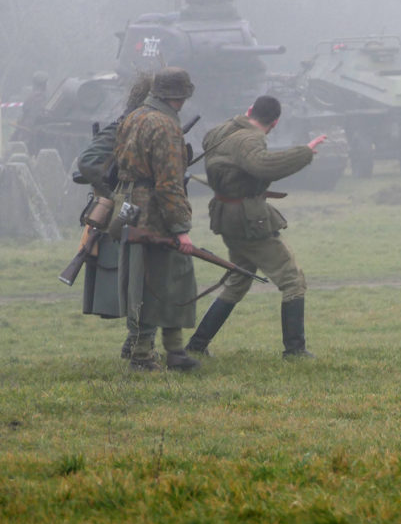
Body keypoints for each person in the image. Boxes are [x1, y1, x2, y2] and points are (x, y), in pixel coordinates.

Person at [185, 96, 327, 359]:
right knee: (292, 280)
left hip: (226, 214)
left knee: (239, 279)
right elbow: (262, 165)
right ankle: (294, 350)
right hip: (247, 219)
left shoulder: (221, 130)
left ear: (249, 110)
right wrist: (304, 152)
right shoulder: (250, 139)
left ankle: (197, 345)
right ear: (274, 124)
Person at [114, 67, 200, 372]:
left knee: (148, 280)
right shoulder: (164, 125)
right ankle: (143, 355)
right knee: (164, 281)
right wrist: (181, 229)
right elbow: (169, 182)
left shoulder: (134, 116)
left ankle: (173, 352)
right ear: (180, 96)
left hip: (131, 207)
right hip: (155, 214)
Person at [74, 75, 154, 332]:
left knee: (141, 278)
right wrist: (112, 191)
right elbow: (87, 162)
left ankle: (140, 340)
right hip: (123, 211)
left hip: (135, 209)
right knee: (134, 278)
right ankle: (138, 342)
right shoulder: (123, 126)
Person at [12, 72, 48, 141]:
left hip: (28, 125)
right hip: (30, 128)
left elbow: (25, 108)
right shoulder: (39, 97)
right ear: (43, 84)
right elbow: (34, 114)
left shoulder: (33, 96)